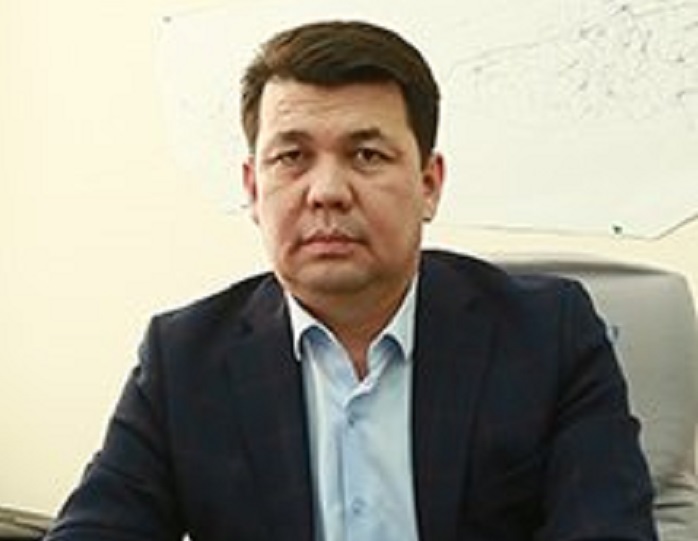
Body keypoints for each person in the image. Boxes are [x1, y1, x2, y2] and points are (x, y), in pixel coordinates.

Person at [45, 19, 657, 541]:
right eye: (291, 157)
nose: (327, 192)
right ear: (253, 189)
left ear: (428, 185)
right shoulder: (183, 360)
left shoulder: (548, 335)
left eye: (367, 155)